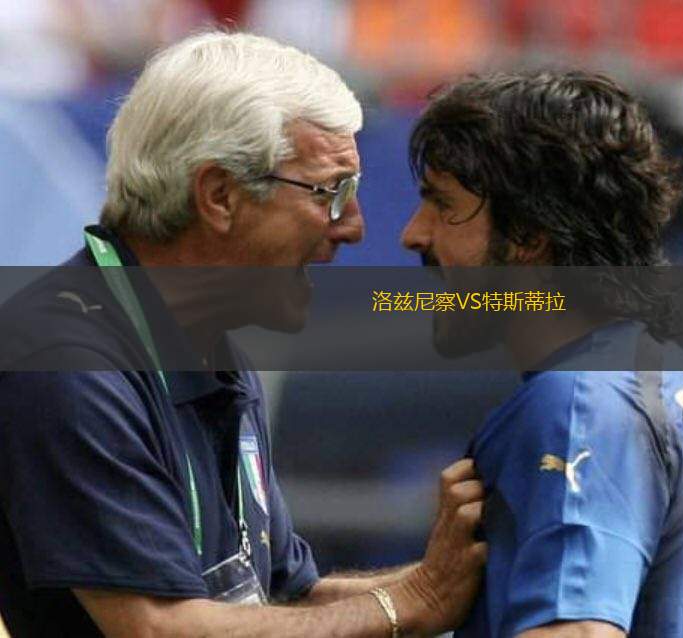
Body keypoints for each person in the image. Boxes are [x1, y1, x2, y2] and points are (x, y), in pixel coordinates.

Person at [0, 32, 486, 637]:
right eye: (333, 193)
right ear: (220, 196)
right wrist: (413, 600)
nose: (356, 228)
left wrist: (469, 573)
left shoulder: (207, 346)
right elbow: (159, 628)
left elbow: (282, 599)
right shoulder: (65, 361)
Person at [400, 71, 683, 637]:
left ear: (529, 234)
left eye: (442, 205)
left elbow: (579, 632)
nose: (413, 234)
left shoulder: (576, 405)